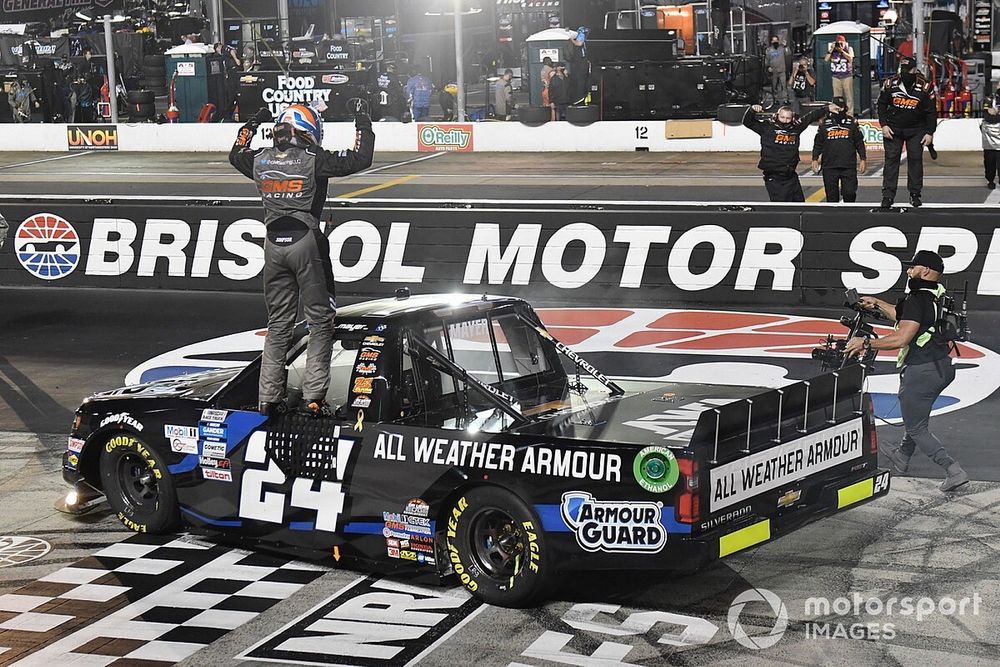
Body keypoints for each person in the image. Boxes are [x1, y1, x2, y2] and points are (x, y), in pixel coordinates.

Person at [229, 102, 375, 417]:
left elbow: (235, 152)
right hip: (307, 242)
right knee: (320, 322)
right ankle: (313, 398)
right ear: (310, 131)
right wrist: (362, 119)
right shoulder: (314, 158)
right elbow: (361, 158)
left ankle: (268, 398)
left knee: (278, 325)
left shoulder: (259, 158)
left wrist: (253, 122)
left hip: (272, 244)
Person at [845, 250, 969, 493]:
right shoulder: (936, 294)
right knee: (916, 417)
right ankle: (902, 455)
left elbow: (902, 338)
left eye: (913, 267)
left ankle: (953, 470)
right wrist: (877, 303)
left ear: (925, 271)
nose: (909, 271)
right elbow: (905, 315)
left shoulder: (916, 300)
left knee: (916, 428)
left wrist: (865, 343)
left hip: (922, 372)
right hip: (941, 367)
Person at [878, 55, 937, 209]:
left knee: (915, 160)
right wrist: (884, 125)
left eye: (908, 70)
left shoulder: (925, 86)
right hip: (893, 128)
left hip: (916, 129)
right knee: (891, 160)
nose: (905, 72)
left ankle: (915, 194)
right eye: (903, 69)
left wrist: (930, 132)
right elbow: (881, 105)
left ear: (915, 70)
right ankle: (888, 195)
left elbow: (931, 112)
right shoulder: (890, 84)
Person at [743, 102, 828, 202]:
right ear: (777, 116)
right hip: (774, 176)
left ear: (792, 118)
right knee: (781, 205)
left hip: (791, 175)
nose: (785, 120)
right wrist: (752, 110)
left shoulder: (795, 128)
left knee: (800, 204)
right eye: (782, 117)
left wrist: (827, 109)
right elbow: (747, 122)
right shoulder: (767, 127)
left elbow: (810, 117)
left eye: (788, 118)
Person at [812, 96, 866, 202]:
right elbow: (818, 143)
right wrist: (814, 159)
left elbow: (859, 142)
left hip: (848, 165)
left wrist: (863, 159)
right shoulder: (824, 123)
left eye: (840, 108)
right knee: (831, 197)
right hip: (829, 165)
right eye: (836, 107)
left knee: (849, 193)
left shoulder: (852, 122)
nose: (838, 110)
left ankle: (849, 211)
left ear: (845, 108)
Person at [825, 35, 855, 115]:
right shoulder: (833, 51)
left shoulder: (849, 49)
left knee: (849, 97)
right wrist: (832, 49)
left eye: (841, 43)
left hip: (847, 76)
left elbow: (850, 58)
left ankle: (849, 114)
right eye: (838, 43)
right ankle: (838, 113)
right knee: (837, 97)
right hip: (836, 76)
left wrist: (841, 51)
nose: (840, 45)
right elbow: (826, 59)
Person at [980, 92, 1000, 190]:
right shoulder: (989, 99)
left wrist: (995, 112)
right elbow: (988, 116)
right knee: (989, 160)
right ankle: (990, 180)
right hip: (989, 135)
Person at [567, 27, 590, 105]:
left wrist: (571, 40)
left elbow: (579, 43)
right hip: (581, 62)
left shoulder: (581, 35)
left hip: (580, 62)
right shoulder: (584, 37)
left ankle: (579, 98)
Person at [766, 36, 789, 105]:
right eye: (774, 40)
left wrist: (786, 46)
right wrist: (768, 67)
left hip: (782, 70)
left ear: (778, 41)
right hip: (773, 71)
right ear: (771, 42)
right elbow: (767, 60)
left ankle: (785, 99)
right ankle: (775, 99)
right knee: (774, 86)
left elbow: (788, 53)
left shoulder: (782, 48)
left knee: (784, 85)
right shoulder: (769, 50)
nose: (775, 42)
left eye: (776, 40)